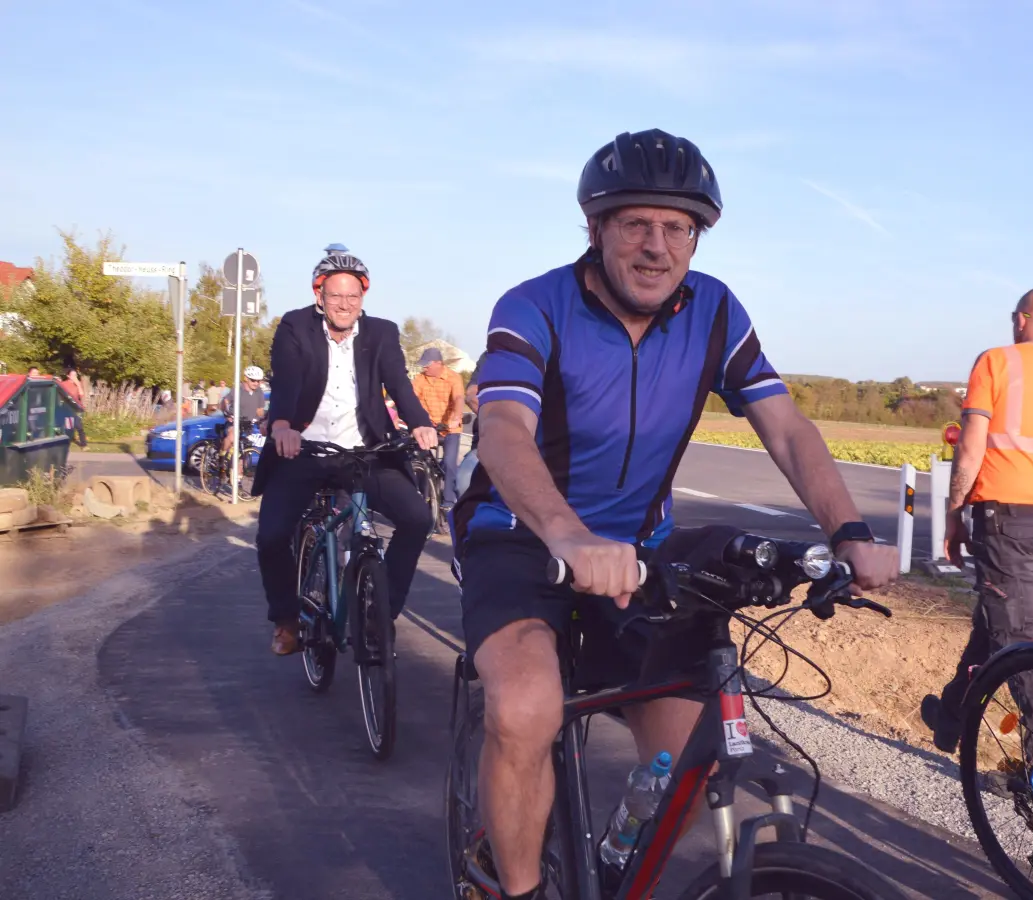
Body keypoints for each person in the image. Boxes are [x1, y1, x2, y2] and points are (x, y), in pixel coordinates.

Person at [453, 129, 901, 900]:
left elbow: (787, 430)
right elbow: (501, 431)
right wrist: (568, 535)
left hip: (639, 549)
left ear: (696, 237)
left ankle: (614, 866)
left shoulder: (715, 311)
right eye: (636, 224)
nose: (657, 247)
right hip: (521, 536)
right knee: (527, 707)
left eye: (678, 228)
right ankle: (511, 882)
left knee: (693, 758)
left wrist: (849, 532)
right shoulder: (534, 306)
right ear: (596, 228)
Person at [919, 288, 1033, 757]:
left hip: (1006, 516)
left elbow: (970, 447)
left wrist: (954, 514)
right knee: (998, 619)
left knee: (1020, 638)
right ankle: (952, 715)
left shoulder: (996, 362)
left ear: (1020, 319)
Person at [252, 250, 439, 656]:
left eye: (353, 296)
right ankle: (286, 620)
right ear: (319, 296)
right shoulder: (296, 327)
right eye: (336, 295)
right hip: (305, 450)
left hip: (365, 452)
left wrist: (420, 422)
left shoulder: (382, 333)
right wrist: (282, 426)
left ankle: (380, 613)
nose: (344, 304)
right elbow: (286, 381)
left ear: (363, 298)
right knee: (271, 535)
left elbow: (399, 383)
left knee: (417, 519)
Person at [410, 346, 466, 507]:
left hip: (449, 428)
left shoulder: (453, 378)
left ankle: (448, 502)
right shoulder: (420, 379)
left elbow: (459, 398)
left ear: (439, 363)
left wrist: (456, 416)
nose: (425, 368)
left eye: (427, 365)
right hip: (427, 427)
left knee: (449, 464)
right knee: (419, 460)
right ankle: (422, 497)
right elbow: (411, 398)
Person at [220, 365, 270, 461]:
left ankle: (238, 467)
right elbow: (225, 401)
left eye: (258, 381)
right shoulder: (238, 389)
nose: (256, 383)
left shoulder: (259, 392)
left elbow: (259, 410)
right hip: (234, 421)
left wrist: (263, 420)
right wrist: (226, 413)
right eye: (253, 380)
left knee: (243, 452)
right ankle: (221, 457)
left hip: (248, 424)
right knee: (232, 437)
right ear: (246, 378)